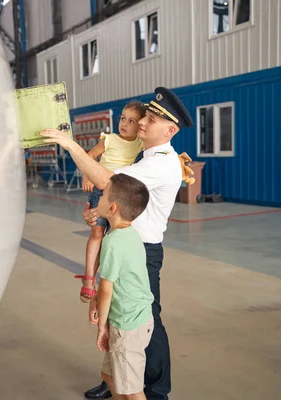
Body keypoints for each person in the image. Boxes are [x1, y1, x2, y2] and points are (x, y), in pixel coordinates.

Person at [40, 87, 194, 400]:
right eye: (145, 117)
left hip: (143, 253)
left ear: (170, 130)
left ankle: (155, 389)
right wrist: (99, 212)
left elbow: (108, 182)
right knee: (118, 316)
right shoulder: (146, 156)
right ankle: (116, 379)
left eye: (150, 120)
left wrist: (70, 144)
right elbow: (121, 201)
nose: (142, 124)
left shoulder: (161, 163)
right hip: (124, 244)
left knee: (146, 321)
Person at [76, 101, 145, 304]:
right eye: (123, 118)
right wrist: (88, 176)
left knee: (115, 237)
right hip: (101, 190)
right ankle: (89, 278)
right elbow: (89, 156)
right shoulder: (110, 139)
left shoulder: (140, 143)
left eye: (131, 121)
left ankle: (110, 277)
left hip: (121, 193)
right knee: (97, 231)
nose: (124, 123)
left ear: (139, 125)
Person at [93, 173, 154, 400]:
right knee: (109, 376)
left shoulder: (112, 242)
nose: (99, 198)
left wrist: (102, 326)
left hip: (127, 326)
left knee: (132, 390)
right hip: (138, 319)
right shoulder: (130, 235)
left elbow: (106, 289)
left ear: (113, 208)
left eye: (103, 195)